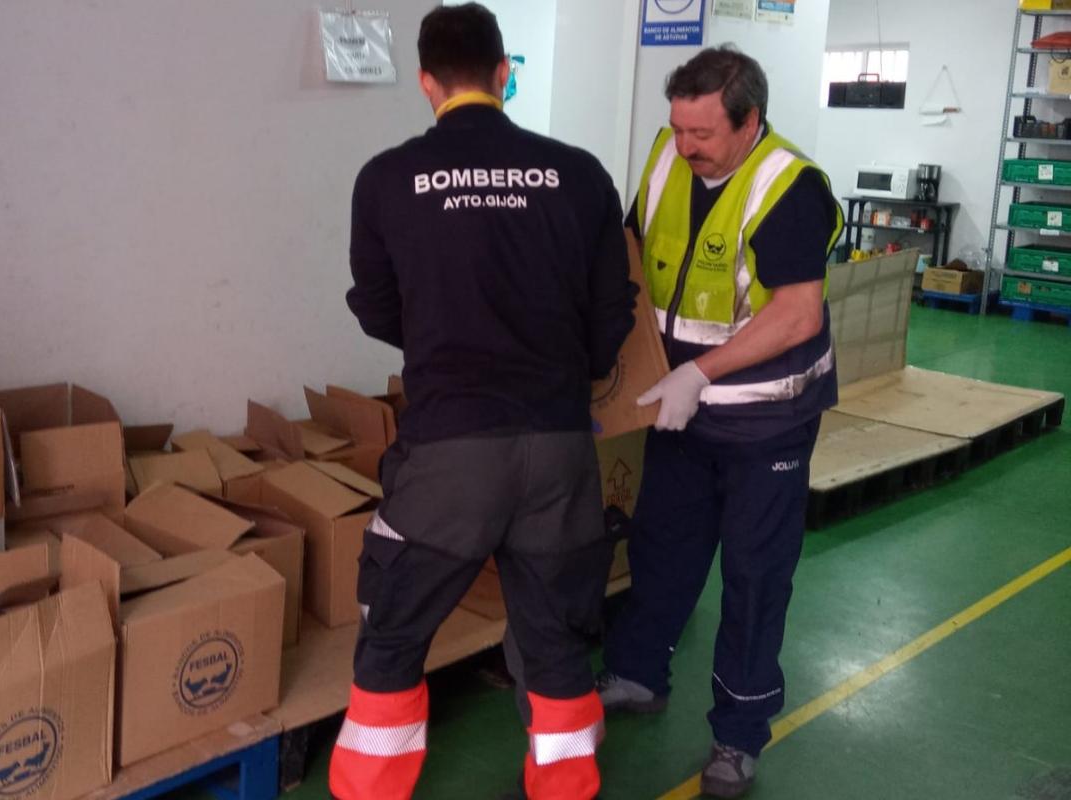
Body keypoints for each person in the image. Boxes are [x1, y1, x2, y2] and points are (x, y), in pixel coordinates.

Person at [327, 5, 637, 800]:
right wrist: (564, 373)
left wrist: (440, 343)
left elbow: (374, 306)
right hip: (560, 447)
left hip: (449, 453)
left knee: (394, 634)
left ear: (426, 82)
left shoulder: (388, 177)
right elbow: (612, 317)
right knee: (556, 641)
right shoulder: (579, 174)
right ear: (506, 75)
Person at [594, 46, 843, 799]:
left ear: (750, 122)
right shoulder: (670, 164)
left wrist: (697, 374)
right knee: (662, 549)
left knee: (755, 576)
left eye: (702, 134)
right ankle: (638, 674)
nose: (684, 147)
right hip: (682, 412)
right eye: (676, 127)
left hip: (765, 422)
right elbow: (636, 259)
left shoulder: (790, 187)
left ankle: (738, 734)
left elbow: (796, 314)